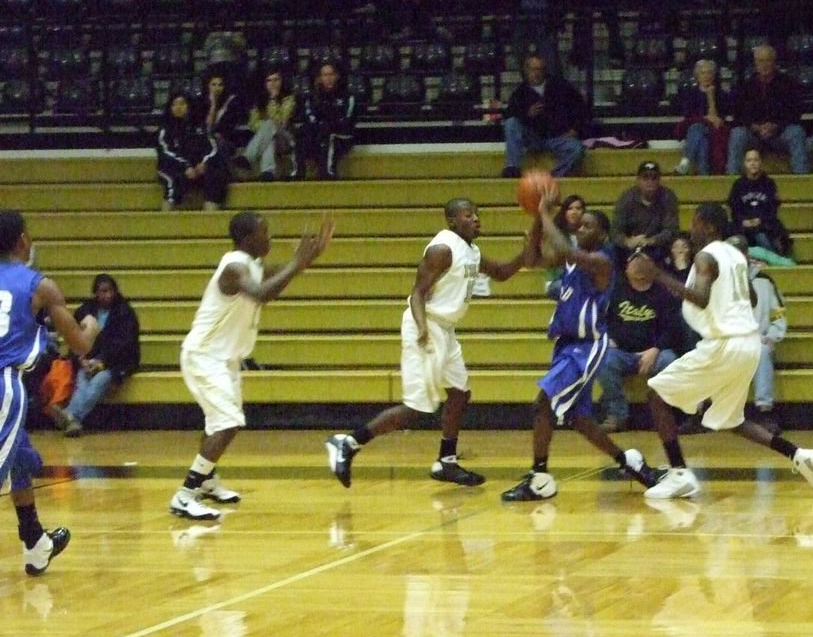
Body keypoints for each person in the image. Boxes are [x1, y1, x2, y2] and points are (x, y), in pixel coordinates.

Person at [628, 203, 813, 499]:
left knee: (656, 395)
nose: (691, 228)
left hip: (725, 344)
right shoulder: (735, 256)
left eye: (696, 223)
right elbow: (749, 298)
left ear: (709, 227)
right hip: (748, 344)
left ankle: (680, 474)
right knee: (731, 419)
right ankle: (799, 455)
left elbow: (699, 297)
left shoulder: (706, 255)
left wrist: (656, 274)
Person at [325, 199, 530, 491]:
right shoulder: (442, 249)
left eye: (477, 215)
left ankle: (446, 461)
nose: (476, 220)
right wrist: (422, 327)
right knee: (418, 409)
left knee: (459, 393)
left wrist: (525, 252)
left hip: (445, 329)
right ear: (451, 221)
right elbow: (417, 293)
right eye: (468, 215)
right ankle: (348, 442)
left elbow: (501, 273)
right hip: (427, 326)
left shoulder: (470, 251)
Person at [169, 211, 334, 520]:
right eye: (265, 233)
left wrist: (304, 261)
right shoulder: (234, 268)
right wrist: (297, 262)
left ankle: (206, 482)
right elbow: (261, 294)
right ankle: (185, 494)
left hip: (224, 358)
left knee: (216, 422)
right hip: (205, 356)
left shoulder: (251, 265)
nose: (269, 238)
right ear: (247, 239)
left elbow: (272, 277)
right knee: (228, 422)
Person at [499, 196, 659, 501]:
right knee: (577, 418)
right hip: (566, 345)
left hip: (586, 347)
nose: (581, 229)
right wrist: (537, 220)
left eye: (587, 226)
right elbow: (532, 259)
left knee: (542, 404)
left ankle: (539, 477)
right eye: (579, 224)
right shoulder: (573, 259)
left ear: (601, 234)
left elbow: (563, 247)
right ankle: (629, 462)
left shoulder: (602, 262)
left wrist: (546, 213)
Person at [1, 210, 100, 573]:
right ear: (24, 241)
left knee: (18, 459)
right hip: (3, 384)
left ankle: (35, 542)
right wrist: (90, 326)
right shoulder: (40, 285)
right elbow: (79, 345)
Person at [595, 254, 685, 433]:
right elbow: (599, 318)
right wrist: (606, 337)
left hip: (655, 352)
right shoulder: (615, 290)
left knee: (671, 361)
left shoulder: (663, 294)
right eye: (634, 261)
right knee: (602, 360)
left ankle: (665, 415)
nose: (638, 265)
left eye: (643, 261)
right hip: (621, 352)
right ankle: (617, 415)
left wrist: (655, 349)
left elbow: (673, 329)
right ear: (626, 269)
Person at [47, 273, 140, 437]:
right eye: (102, 291)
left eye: (109, 291)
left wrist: (102, 362)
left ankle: (70, 415)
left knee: (99, 380)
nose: (107, 295)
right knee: (82, 380)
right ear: (95, 293)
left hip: (117, 362)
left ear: (115, 291)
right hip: (89, 360)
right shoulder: (85, 310)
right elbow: (73, 338)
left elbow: (124, 345)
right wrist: (82, 359)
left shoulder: (125, 312)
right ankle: (73, 421)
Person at [725, 235, 787, 420]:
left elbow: (778, 314)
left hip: (758, 339)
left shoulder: (765, 281)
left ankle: (764, 411)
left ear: (746, 254)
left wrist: (773, 335)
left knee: (762, 350)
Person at [501, 55, 587, 178]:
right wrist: (527, 114)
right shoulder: (520, 93)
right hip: (533, 138)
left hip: (558, 137)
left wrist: (575, 129)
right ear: (526, 71)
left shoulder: (561, 86)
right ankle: (512, 167)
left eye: (539, 69)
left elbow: (581, 108)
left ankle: (552, 177)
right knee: (511, 123)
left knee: (577, 149)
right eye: (533, 69)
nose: (536, 73)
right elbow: (511, 116)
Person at [726, 45, 808, 174]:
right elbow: (738, 114)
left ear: (774, 62)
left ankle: (802, 179)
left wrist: (775, 126)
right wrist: (754, 127)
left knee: (797, 132)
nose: (764, 64)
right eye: (760, 61)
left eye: (768, 60)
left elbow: (795, 112)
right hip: (753, 135)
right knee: (737, 134)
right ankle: (731, 181)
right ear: (755, 63)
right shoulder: (745, 86)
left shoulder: (788, 83)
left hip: (780, 134)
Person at [156, 92, 230, 211]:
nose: (178, 107)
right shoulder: (165, 129)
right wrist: (186, 166)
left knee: (215, 177)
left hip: (197, 167)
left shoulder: (199, 127)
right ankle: (164, 221)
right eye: (174, 104)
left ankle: (210, 219)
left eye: (182, 104)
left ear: (189, 106)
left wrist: (204, 164)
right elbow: (166, 153)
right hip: (173, 167)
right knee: (173, 181)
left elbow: (212, 148)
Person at [297, 61, 357, 180]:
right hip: (319, 134)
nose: (328, 78)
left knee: (328, 136)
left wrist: (328, 125)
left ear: (337, 76)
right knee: (302, 134)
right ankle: (298, 172)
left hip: (342, 135)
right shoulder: (313, 97)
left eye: (331, 74)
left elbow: (348, 120)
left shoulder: (348, 97)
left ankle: (327, 173)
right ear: (320, 78)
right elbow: (310, 118)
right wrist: (322, 126)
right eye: (325, 75)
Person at [727, 148, 792, 259]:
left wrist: (760, 220)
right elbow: (734, 209)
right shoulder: (738, 185)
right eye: (749, 160)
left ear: (761, 162)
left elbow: (772, 208)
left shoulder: (769, 183)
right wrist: (744, 221)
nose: (753, 163)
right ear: (744, 163)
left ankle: (775, 260)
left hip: (765, 225)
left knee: (762, 235)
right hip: (743, 226)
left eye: (756, 160)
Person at [612, 160, 680, 264]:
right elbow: (615, 231)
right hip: (629, 247)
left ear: (659, 180)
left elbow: (671, 230)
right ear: (638, 180)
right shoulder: (626, 198)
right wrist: (627, 241)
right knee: (612, 250)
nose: (650, 182)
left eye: (654, 178)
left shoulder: (668, 197)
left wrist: (650, 241)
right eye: (645, 178)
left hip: (658, 248)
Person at [674, 59, 731, 176]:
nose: (706, 76)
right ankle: (704, 177)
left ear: (714, 75)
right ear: (697, 76)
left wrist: (710, 96)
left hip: (715, 133)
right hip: (697, 132)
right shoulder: (690, 94)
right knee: (701, 140)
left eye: (709, 72)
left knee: (697, 129)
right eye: (703, 73)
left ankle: (685, 162)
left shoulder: (721, 94)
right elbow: (688, 117)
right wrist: (705, 119)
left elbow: (718, 120)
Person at [240, 69, 296, 182]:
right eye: (269, 81)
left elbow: (283, 122)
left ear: (282, 81)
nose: (273, 83)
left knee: (270, 125)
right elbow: (252, 124)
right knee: (270, 136)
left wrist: (273, 100)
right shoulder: (259, 101)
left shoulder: (289, 99)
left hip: (286, 139)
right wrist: (265, 125)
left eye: (276, 80)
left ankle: (248, 157)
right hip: (269, 137)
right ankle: (268, 172)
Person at [545, 195, 586, 297]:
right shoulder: (556, 235)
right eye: (570, 208)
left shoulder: (588, 234)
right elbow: (551, 260)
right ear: (564, 212)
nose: (574, 212)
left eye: (578, 208)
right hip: (557, 281)